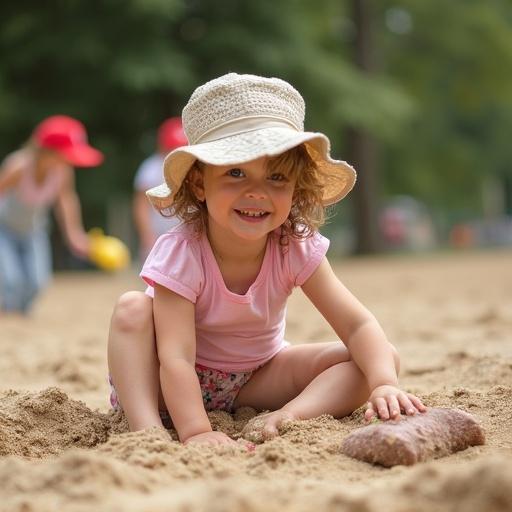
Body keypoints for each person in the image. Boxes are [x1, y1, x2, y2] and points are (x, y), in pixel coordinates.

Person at [107, 73, 426, 448]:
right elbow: (176, 357)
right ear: (199, 184)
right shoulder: (183, 252)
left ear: (297, 187)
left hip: (255, 378)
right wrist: (197, 431)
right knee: (132, 309)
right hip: (167, 381)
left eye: (276, 177)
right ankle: (147, 431)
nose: (256, 192)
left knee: (379, 357)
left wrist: (384, 384)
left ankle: (288, 415)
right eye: (236, 172)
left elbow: (356, 325)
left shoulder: (294, 245)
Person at [0, 115, 103, 314]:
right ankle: (8, 316)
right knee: (11, 279)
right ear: (47, 152)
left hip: (33, 230)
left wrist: (74, 234)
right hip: (4, 228)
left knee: (38, 282)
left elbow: (65, 200)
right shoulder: (19, 167)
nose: (71, 160)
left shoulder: (62, 171)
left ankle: (20, 315)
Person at [133, 117, 187, 259]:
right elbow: (141, 205)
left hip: (186, 234)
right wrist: (147, 235)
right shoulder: (151, 167)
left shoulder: (191, 167)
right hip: (157, 234)